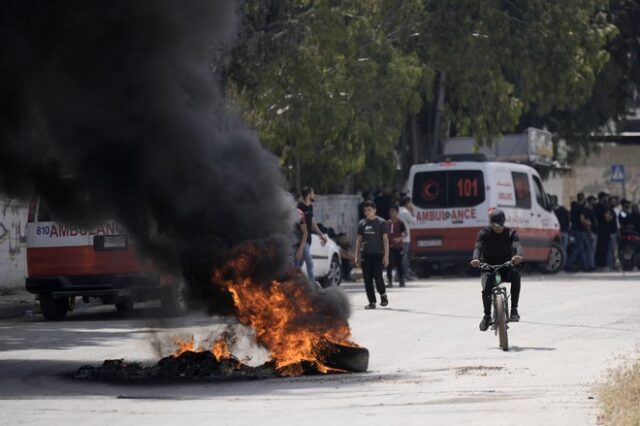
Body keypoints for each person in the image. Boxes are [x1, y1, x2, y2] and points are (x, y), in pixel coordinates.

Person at [470, 209, 523, 331]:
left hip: (505, 267)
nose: (499, 228)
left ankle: (514, 310)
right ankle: (487, 316)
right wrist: (475, 259)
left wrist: (518, 255)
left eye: (501, 225)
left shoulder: (510, 233)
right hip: (488, 267)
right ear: (491, 223)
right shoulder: (484, 233)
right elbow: (478, 247)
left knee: (516, 276)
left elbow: (517, 245)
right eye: (496, 226)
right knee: (486, 289)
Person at [355, 200, 389, 309]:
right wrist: (357, 255)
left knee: (378, 277)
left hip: (378, 254)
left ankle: (383, 294)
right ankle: (372, 302)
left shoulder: (381, 222)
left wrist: (386, 255)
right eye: (365, 210)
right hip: (365, 254)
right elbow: (359, 240)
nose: (367, 212)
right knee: (367, 279)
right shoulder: (362, 223)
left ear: (375, 210)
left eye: (369, 210)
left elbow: (385, 240)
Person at [297, 186, 327, 282]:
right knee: (309, 263)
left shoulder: (310, 206)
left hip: (308, 238)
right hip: (302, 239)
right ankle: (312, 287)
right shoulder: (299, 207)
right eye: (313, 193)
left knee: (298, 265)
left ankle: (292, 283)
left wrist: (321, 234)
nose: (315, 195)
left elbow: (312, 222)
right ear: (309, 194)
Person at [386, 204, 407, 287]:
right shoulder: (386, 223)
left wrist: (399, 239)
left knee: (399, 264)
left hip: (398, 246)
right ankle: (390, 281)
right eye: (391, 211)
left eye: (394, 212)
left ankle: (401, 280)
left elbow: (405, 233)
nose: (392, 213)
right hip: (389, 246)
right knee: (388, 264)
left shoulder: (400, 223)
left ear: (397, 213)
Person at [398, 196, 417, 280]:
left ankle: (399, 275)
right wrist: (413, 211)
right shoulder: (406, 212)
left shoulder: (398, 210)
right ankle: (405, 275)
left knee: (399, 257)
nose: (411, 205)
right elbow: (414, 221)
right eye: (410, 203)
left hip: (398, 237)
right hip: (405, 238)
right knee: (404, 258)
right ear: (407, 203)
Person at [551, 195, 570, 259]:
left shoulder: (551, 211)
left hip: (556, 232)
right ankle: (562, 263)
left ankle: (558, 262)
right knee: (563, 249)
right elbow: (568, 219)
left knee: (556, 249)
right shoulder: (563, 209)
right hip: (564, 231)